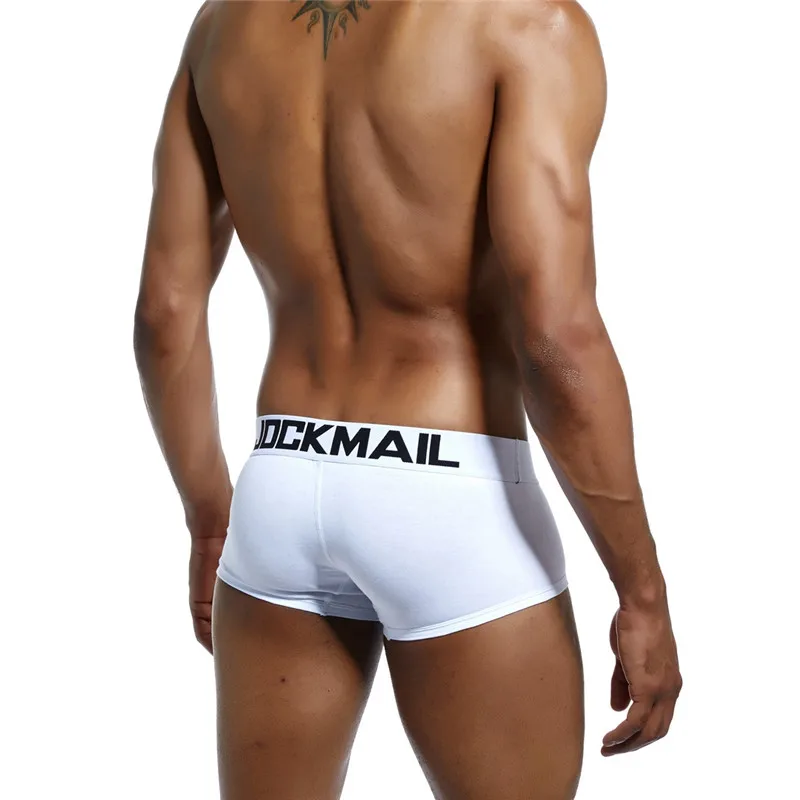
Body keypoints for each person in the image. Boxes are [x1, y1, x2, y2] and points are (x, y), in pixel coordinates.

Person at [134, 1, 682, 797]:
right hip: (451, 490)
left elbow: (165, 313)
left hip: (282, 477)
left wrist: (209, 514)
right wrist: (642, 590)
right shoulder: (526, 21)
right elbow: (557, 336)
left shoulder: (224, 25)